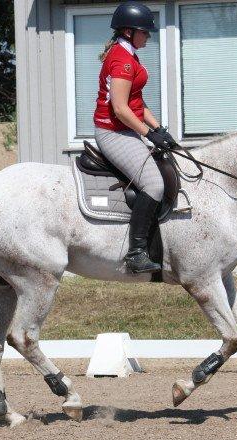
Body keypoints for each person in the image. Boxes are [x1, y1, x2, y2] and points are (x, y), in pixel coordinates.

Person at [93, 1, 177, 274]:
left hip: (127, 128)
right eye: (145, 31)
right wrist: (148, 133)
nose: (148, 36)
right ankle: (136, 252)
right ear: (129, 32)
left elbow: (137, 103)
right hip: (113, 132)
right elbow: (119, 108)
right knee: (153, 185)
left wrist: (159, 128)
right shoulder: (122, 61)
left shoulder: (129, 56)